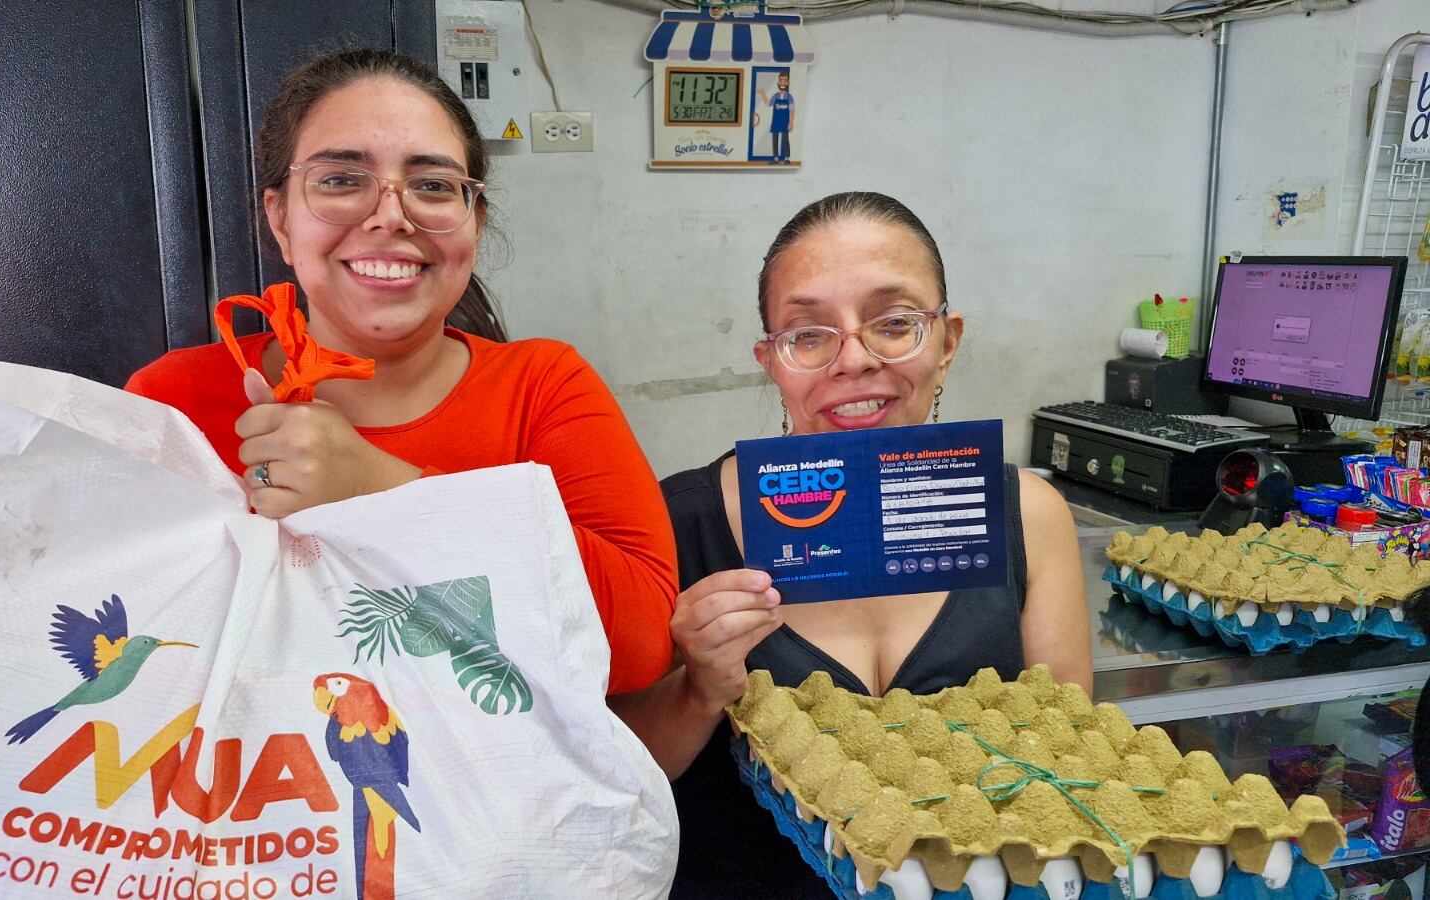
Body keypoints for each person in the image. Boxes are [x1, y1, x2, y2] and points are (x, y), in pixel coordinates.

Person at [125, 48, 677, 696]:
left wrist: (384, 488)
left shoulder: (542, 387)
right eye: (340, 180)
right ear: (280, 217)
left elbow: (640, 648)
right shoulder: (172, 401)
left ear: (475, 220)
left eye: (434, 185)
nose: (391, 215)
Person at [609, 192, 1092, 897]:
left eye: (894, 324)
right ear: (771, 361)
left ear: (948, 340)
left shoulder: (1029, 515)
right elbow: (614, 783)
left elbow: (1070, 772)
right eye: (808, 335)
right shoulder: (672, 521)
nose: (853, 360)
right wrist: (696, 691)